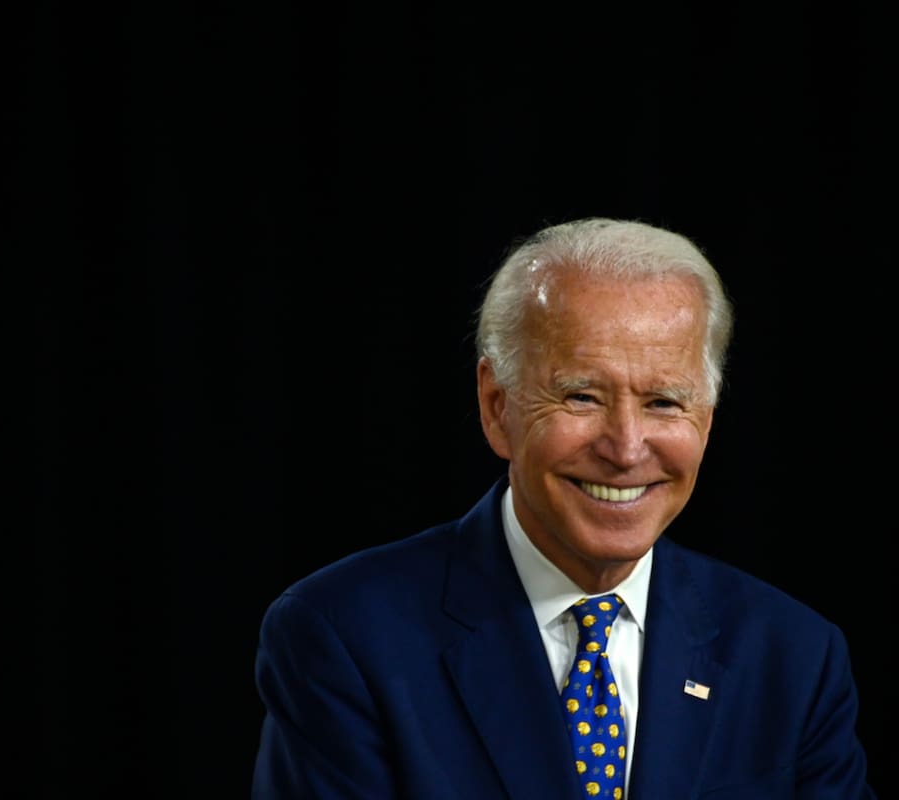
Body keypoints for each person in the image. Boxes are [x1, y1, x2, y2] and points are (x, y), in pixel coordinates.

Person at [250, 217, 876, 799]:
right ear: (498, 407)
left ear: (706, 422)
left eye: (663, 402)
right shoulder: (344, 637)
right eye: (581, 396)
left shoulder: (794, 657)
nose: (626, 448)